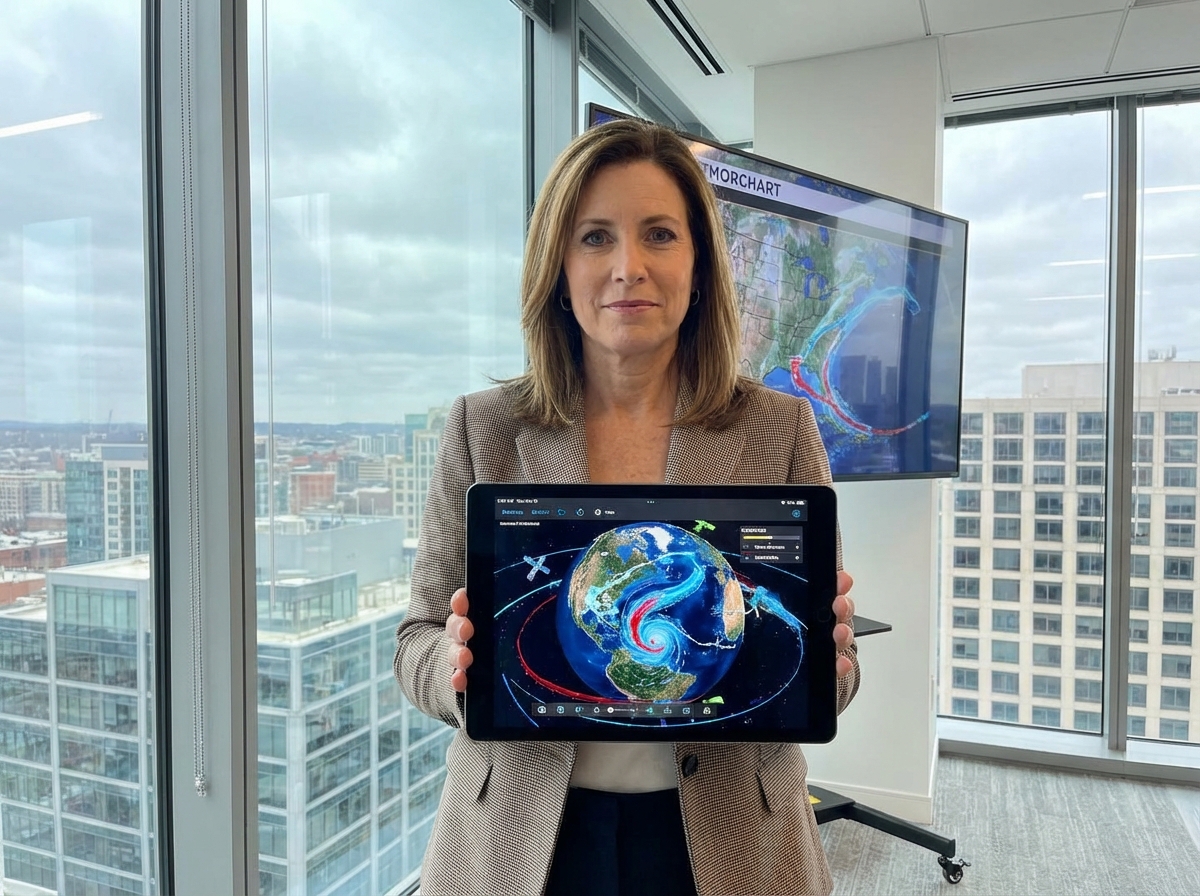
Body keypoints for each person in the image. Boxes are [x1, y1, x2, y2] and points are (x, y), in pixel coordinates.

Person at [394, 117, 860, 896]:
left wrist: (830, 660)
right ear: (558, 266)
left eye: (659, 235)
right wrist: (457, 672)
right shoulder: (484, 426)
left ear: (700, 264)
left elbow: (831, 676)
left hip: (726, 836)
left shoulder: (781, 428)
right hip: (524, 834)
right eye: (595, 237)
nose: (628, 267)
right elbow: (414, 637)